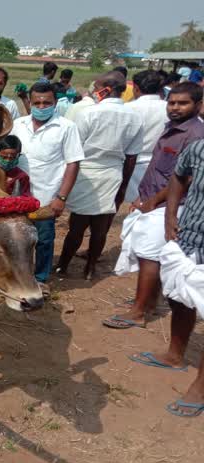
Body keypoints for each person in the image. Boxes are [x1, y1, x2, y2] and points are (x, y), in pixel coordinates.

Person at [108, 83, 204, 329]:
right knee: (150, 254)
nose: (175, 107)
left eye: (183, 103)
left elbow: (185, 177)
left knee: (149, 256)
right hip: (155, 200)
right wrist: (143, 195)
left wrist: (155, 201)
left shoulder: (195, 135)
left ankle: (138, 312)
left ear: (198, 105)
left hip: (171, 204)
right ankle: (148, 301)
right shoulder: (172, 128)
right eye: (172, 102)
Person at [127, 137, 204, 417]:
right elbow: (179, 177)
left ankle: (200, 386)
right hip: (189, 238)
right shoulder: (198, 148)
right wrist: (170, 215)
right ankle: (174, 355)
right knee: (179, 299)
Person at [56, 71, 144, 279]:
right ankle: (91, 268)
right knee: (100, 228)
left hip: (86, 173)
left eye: (97, 88)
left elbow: (75, 149)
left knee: (77, 226)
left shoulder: (89, 114)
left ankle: (63, 266)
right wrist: (123, 186)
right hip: (113, 174)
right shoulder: (134, 117)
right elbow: (131, 157)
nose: (94, 92)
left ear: (107, 89)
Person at [11, 81, 84, 288]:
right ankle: (20, 276)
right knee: (18, 240)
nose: (41, 107)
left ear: (55, 102)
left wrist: (61, 197)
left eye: (46, 103)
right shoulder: (18, 124)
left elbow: (73, 163)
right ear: (30, 102)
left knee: (44, 240)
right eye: (37, 103)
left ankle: (41, 279)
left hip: (47, 196)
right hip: (18, 196)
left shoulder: (66, 127)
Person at [124, 70, 169, 202]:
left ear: (136, 88)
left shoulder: (128, 108)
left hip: (131, 162)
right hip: (161, 162)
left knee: (128, 206)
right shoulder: (168, 108)